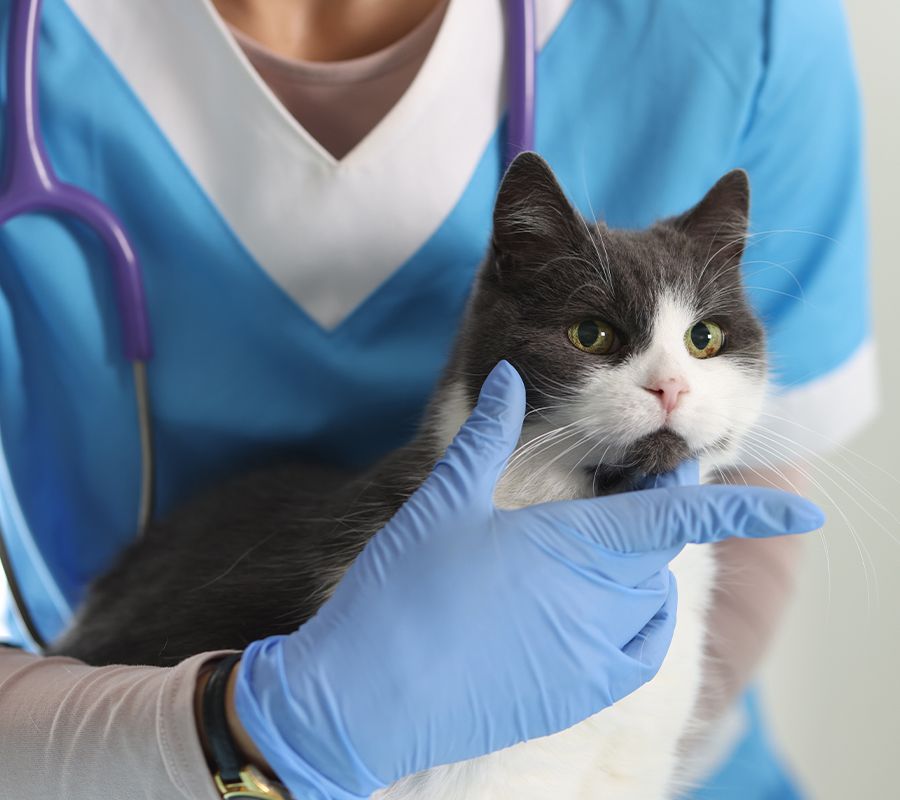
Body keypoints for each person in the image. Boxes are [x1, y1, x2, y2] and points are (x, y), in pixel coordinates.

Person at [0, 0, 875, 798]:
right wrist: (253, 735)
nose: (672, 382)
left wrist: (621, 720)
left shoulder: (746, 25)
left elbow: (756, 488)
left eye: (703, 344)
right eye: (602, 338)